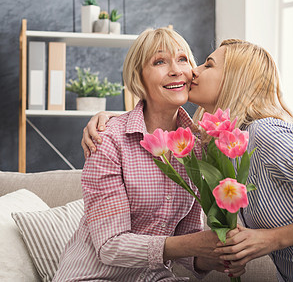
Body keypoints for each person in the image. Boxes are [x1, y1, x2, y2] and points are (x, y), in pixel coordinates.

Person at [82, 39, 293, 282]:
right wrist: (113, 120)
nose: (193, 71)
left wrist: (270, 240)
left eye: (206, 65)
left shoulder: (266, 134)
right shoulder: (216, 147)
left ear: (234, 78)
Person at [54, 28, 244, 282]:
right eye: (159, 61)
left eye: (183, 59)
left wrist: (218, 255)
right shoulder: (108, 138)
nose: (176, 70)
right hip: (94, 276)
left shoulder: (199, 147)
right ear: (139, 78)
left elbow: (186, 239)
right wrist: (194, 244)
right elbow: (110, 246)